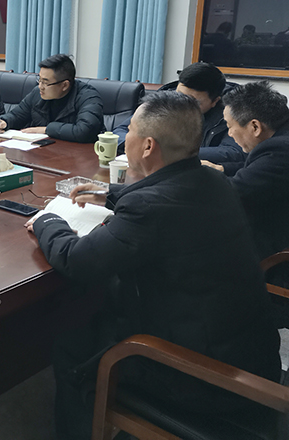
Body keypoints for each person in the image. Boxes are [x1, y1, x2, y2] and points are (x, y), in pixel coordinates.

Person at [27, 92, 279, 440]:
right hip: (252, 356)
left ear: (147, 146)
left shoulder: (149, 208)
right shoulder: (214, 182)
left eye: (130, 130)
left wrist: (48, 220)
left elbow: (77, 260)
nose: (125, 136)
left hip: (205, 378)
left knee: (71, 346)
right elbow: (169, 195)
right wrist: (108, 192)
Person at [202, 81, 289, 259]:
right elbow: (261, 169)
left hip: (273, 250)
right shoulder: (281, 136)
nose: (230, 134)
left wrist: (193, 176)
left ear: (255, 127)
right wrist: (222, 168)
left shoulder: (280, 149)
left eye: (229, 126)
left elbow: (233, 193)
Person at [114, 62, 244, 165]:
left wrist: (171, 153)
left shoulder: (231, 112)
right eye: (180, 95)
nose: (182, 104)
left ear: (215, 101)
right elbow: (119, 132)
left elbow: (233, 152)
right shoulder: (165, 100)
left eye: (193, 101)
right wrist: (142, 146)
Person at [0, 54, 103, 143]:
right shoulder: (37, 93)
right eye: (39, 79)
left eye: (45, 82)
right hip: (45, 153)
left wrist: (46, 129)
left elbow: (85, 131)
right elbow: (17, 115)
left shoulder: (88, 97)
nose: (40, 86)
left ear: (64, 85)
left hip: (80, 157)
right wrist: (4, 121)